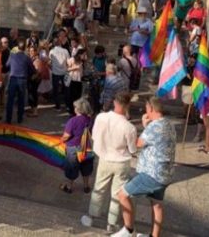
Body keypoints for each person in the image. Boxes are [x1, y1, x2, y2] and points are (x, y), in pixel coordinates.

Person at [113, 97, 176, 237]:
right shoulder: (169, 124)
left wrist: (142, 124)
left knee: (122, 194)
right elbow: (155, 140)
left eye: (146, 108)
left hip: (151, 174)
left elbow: (138, 143)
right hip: (165, 174)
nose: (145, 111)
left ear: (151, 109)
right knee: (157, 205)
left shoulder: (155, 126)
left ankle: (128, 230)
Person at [81, 92, 136, 232]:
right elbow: (133, 149)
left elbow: (94, 135)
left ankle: (91, 216)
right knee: (117, 193)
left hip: (104, 158)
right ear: (127, 105)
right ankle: (111, 224)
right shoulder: (129, 127)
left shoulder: (101, 117)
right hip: (121, 161)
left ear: (114, 103)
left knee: (99, 188)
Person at [59, 98, 94, 194]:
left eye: (75, 107)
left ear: (78, 109)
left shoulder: (72, 121)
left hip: (73, 148)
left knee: (72, 168)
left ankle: (69, 187)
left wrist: (60, 140)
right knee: (86, 167)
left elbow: (67, 136)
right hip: (87, 147)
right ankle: (86, 186)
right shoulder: (90, 120)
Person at [5, 42, 36, 124]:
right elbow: (32, 69)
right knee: (21, 100)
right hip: (22, 79)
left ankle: (8, 119)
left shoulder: (12, 55)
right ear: (25, 48)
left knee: (10, 99)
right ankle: (19, 119)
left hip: (13, 78)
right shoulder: (27, 58)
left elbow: (7, 65)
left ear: (18, 47)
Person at [49, 39, 70, 111]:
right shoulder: (66, 51)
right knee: (66, 89)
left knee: (56, 90)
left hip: (55, 73)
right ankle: (67, 105)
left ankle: (58, 106)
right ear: (60, 43)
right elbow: (68, 62)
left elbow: (49, 61)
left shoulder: (52, 51)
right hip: (64, 72)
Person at [66, 48, 86, 115]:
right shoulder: (72, 59)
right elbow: (67, 69)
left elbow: (81, 71)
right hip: (72, 80)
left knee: (78, 96)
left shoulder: (82, 61)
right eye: (84, 54)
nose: (85, 56)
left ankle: (76, 110)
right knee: (72, 96)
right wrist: (75, 68)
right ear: (80, 54)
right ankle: (71, 110)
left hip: (79, 80)